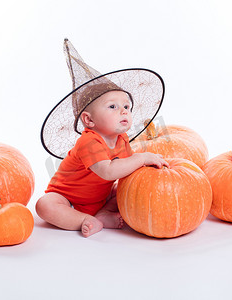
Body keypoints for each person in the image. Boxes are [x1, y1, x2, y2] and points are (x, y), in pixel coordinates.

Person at [38, 39, 166, 237]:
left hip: (100, 197)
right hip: (67, 198)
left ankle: (104, 214)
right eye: (112, 107)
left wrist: (145, 173)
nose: (123, 111)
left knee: (124, 189)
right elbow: (107, 171)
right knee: (45, 205)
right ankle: (83, 219)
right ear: (89, 120)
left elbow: (124, 171)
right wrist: (141, 158)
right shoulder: (89, 140)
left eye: (126, 106)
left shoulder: (122, 139)